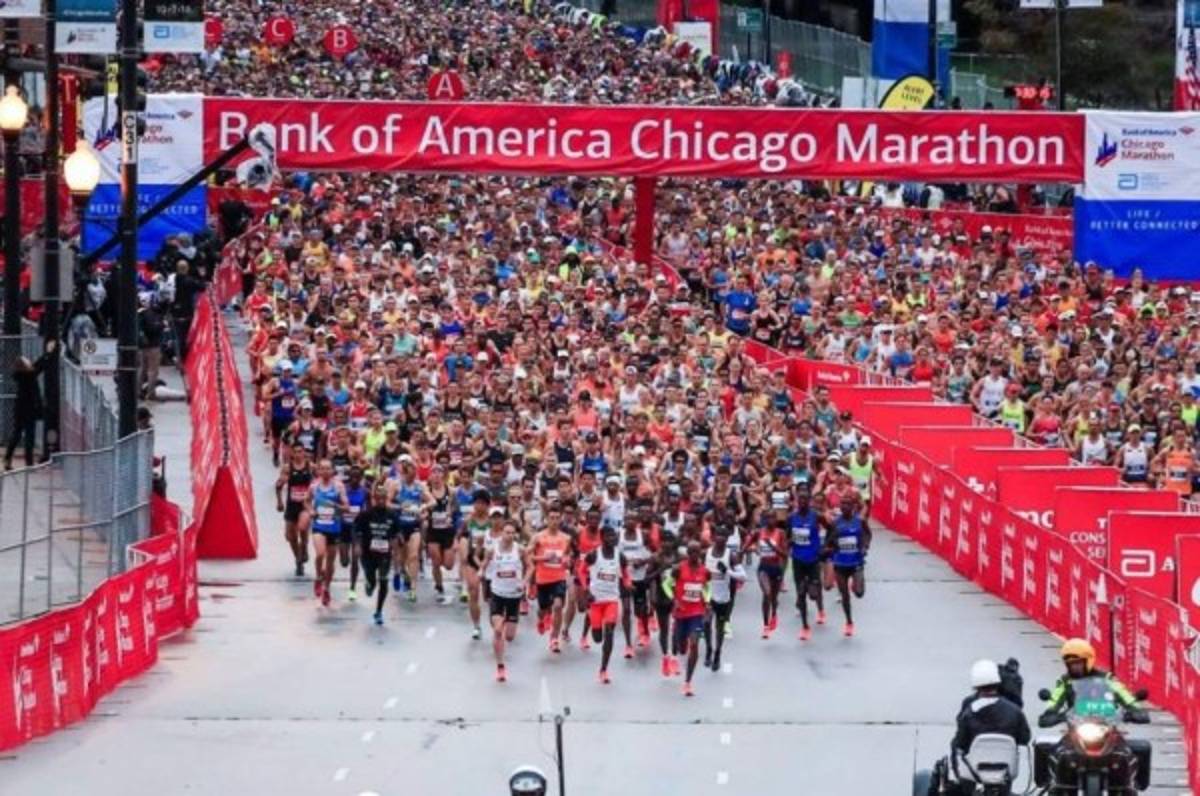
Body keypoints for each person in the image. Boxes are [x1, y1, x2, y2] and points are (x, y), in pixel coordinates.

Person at [1038, 638, 1147, 724]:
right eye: (1071, 664)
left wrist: (1135, 710)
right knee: (1052, 749)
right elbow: (1054, 700)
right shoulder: (1065, 681)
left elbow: (1124, 694)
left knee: (1137, 749)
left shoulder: (1107, 678)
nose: (1075, 667)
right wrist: (1050, 713)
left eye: (1078, 663)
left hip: (1106, 725)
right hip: (1076, 728)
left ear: (1088, 661)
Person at [582, 525, 628, 684]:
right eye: (609, 536)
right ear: (602, 538)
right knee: (597, 638)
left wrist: (627, 584)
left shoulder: (620, 556)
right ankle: (591, 623)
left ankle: (603, 670)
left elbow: (625, 574)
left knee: (609, 631)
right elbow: (581, 571)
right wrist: (586, 589)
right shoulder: (594, 555)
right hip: (596, 601)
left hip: (612, 600)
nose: (613, 539)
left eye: (614, 536)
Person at [482, 520, 526, 682]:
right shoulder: (492, 550)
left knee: (509, 637)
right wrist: (481, 572)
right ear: (501, 533)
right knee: (498, 631)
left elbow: (530, 567)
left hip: (514, 596)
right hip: (497, 594)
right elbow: (485, 565)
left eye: (512, 533)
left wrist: (525, 581)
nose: (510, 535)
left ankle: (507, 620)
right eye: (507, 532)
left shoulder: (520, 550)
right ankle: (500, 666)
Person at [823, 494, 872, 636]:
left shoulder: (860, 521)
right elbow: (828, 542)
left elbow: (868, 534)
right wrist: (830, 549)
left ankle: (856, 584)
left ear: (853, 507)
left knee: (859, 593)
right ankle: (849, 622)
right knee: (845, 595)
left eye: (848, 504)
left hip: (856, 562)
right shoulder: (835, 523)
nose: (845, 507)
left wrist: (865, 546)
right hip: (840, 563)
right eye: (842, 504)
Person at [354, 481, 401, 625]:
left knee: (383, 580)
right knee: (372, 580)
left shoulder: (392, 515)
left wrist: (399, 540)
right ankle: (369, 583)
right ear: (374, 498)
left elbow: (396, 532)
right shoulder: (366, 514)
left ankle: (379, 611)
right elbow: (356, 530)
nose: (381, 501)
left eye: (383, 498)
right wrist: (357, 546)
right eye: (378, 498)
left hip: (384, 554)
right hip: (368, 553)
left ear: (386, 499)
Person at [669, 540, 710, 697]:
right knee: (681, 648)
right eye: (691, 552)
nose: (694, 555)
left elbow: (707, 587)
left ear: (700, 553)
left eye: (697, 552)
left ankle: (687, 682)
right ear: (687, 553)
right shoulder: (678, 569)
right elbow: (668, 584)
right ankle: (680, 640)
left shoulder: (705, 571)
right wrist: (675, 600)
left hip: (696, 614)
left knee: (694, 644)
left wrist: (707, 602)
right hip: (681, 613)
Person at [4, 340, 54, 470]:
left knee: (17, 434)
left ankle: (8, 458)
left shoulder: (24, 375)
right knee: (29, 437)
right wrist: (47, 352)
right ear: (23, 365)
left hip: (20, 409)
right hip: (28, 410)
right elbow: (39, 366)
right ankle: (29, 463)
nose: (29, 361)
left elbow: (37, 366)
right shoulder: (28, 375)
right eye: (26, 360)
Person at [528, 509, 572, 653]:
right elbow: (528, 556)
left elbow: (568, 557)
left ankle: (554, 638)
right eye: (551, 518)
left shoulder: (566, 538)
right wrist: (543, 558)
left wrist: (567, 561)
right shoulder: (538, 537)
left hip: (558, 577)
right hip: (543, 579)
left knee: (558, 606)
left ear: (560, 520)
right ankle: (542, 618)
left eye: (557, 518)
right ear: (546, 519)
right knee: (543, 609)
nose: (554, 521)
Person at [308, 459, 349, 606]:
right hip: (319, 526)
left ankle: (327, 588)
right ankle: (319, 577)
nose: (325, 472)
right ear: (318, 471)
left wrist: (336, 505)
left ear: (332, 471)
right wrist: (311, 510)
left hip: (334, 527)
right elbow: (306, 501)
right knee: (320, 554)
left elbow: (347, 507)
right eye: (322, 469)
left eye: (328, 469)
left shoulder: (338, 486)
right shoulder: (314, 486)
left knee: (331, 562)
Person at [704, 527, 744, 671]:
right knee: (706, 623)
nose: (720, 538)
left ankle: (717, 654)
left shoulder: (731, 556)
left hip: (723, 597)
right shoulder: (706, 553)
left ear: (727, 539)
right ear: (713, 536)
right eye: (718, 535)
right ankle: (708, 649)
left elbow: (743, 576)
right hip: (708, 596)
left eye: (723, 536)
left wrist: (727, 571)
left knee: (719, 628)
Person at [788, 489, 826, 640]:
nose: (802, 502)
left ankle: (821, 609)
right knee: (801, 593)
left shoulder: (816, 516)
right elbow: (786, 535)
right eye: (800, 499)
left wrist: (825, 547)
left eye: (805, 499)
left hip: (813, 560)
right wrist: (789, 543)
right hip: (797, 560)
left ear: (809, 501)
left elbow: (832, 529)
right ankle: (805, 626)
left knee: (814, 593)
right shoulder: (791, 517)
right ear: (797, 501)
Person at [275, 442, 313, 577]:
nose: (298, 454)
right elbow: (279, 485)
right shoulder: (288, 468)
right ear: (292, 453)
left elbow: (319, 483)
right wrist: (279, 502)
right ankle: (298, 559)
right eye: (295, 451)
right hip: (292, 506)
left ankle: (305, 548)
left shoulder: (310, 467)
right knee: (290, 537)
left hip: (305, 506)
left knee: (303, 530)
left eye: (300, 451)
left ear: (304, 453)